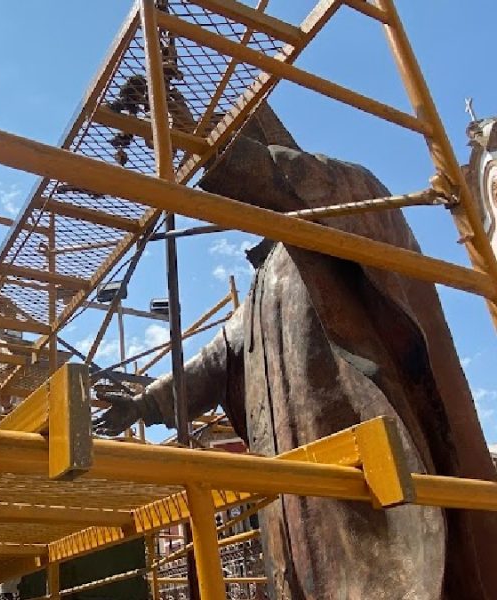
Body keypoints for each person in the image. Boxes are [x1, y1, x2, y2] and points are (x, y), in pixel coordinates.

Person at [94, 105, 497, 599]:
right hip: (294, 475)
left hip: (366, 459)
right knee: (307, 573)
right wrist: (143, 404)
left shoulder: (352, 198)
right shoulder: (267, 278)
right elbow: (214, 359)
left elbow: (291, 180)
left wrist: (205, 142)